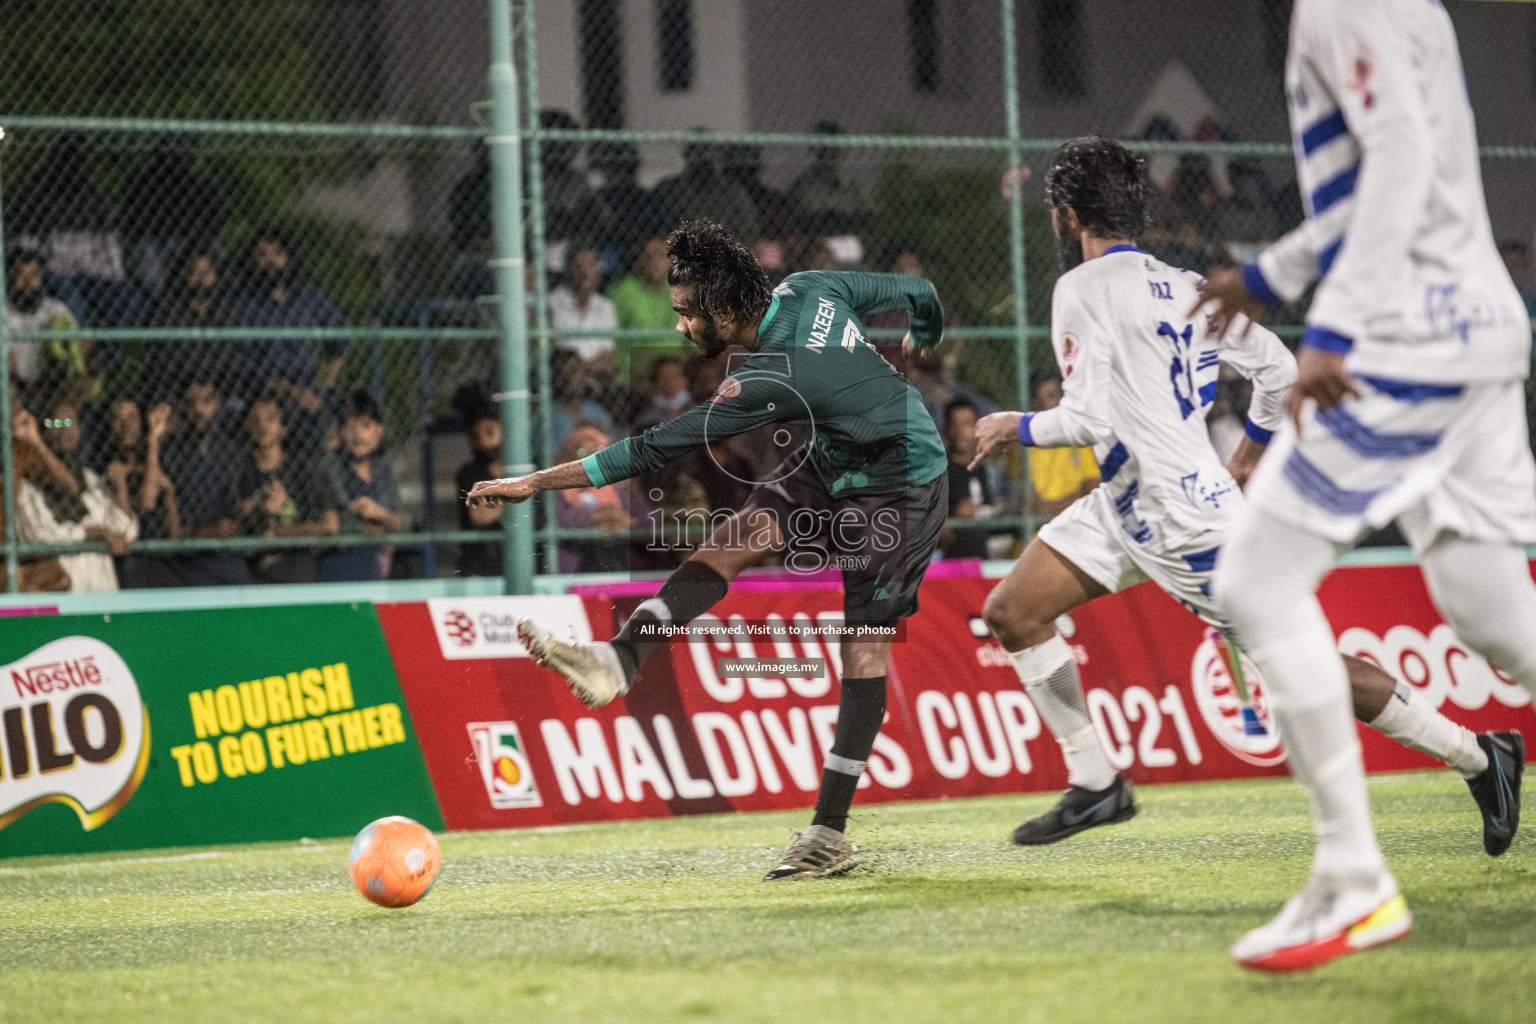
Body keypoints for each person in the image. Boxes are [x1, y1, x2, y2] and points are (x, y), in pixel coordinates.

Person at [1196, 1, 1535, 966]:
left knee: (1255, 586)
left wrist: (1332, 325)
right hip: (1476, 331)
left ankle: (1351, 879)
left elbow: (1400, 160)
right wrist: (1270, 273)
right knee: (1497, 617)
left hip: (1407, 342)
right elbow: (1402, 169)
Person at [469, 219, 951, 880]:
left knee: (863, 643)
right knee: (738, 537)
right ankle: (621, 658)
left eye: (687, 315)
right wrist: (924, 336)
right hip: (832, 457)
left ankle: (829, 834)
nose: (680, 329)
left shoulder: (769, 379)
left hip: (901, 484)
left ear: (725, 311)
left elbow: (648, 449)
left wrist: (533, 483)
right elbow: (919, 291)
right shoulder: (813, 287)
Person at [12, 401, 136, 592]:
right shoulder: (28, 485)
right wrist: (89, 534)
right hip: (62, 582)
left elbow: (126, 531)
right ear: (42, 431)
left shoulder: (91, 479)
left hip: (100, 584)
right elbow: (38, 537)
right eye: (56, 424)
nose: (64, 430)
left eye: (70, 423)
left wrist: (120, 487)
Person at [230, 228, 347, 414]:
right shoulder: (243, 302)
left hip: (307, 384)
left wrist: (323, 384)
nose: (270, 261)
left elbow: (341, 335)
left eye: (277, 253)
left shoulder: (306, 295)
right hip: (262, 391)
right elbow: (246, 363)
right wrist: (292, 392)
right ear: (251, 261)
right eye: (261, 255)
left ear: (288, 257)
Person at [233, 398, 344, 584]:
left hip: (295, 568)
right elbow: (232, 526)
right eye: (256, 420)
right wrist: (258, 507)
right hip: (252, 571)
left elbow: (330, 525)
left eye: (270, 419)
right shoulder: (238, 470)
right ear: (248, 427)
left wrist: (278, 533)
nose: (263, 426)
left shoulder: (304, 469)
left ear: (283, 428)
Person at [161, 378, 251, 586]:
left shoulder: (234, 452)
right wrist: (206, 532)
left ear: (218, 404)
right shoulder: (171, 453)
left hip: (230, 560)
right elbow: (171, 530)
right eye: (192, 402)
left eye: (206, 401)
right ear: (183, 407)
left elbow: (245, 510)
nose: (199, 410)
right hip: (188, 563)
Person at [316, 393, 404, 582]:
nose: (357, 435)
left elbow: (403, 520)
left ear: (379, 430)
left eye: (365, 425)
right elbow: (338, 523)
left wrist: (380, 514)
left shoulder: (383, 471)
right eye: (350, 426)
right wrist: (385, 528)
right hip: (340, 569)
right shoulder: (330, 469)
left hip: (376, 573)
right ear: (339, 432)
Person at [5, 246, 100, 407]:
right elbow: (9, 367)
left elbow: (82, 347)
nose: (28, 283)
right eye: (21, 275)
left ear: (42, 278)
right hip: (16, 389)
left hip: (53, 388)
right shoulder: (3, 312)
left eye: (34, 275)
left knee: (64, 412)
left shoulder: (56, 309)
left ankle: (55, 424)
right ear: (9, 278)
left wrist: (88, 377)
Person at [103, 398, 182, 589]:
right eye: (118, 419)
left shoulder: (161, 459)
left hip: (160, 555)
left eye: (131, 417)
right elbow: (147, 502)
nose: (125, 425)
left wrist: (169, 492)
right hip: (129, 554)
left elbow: (175, 534)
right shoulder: (107, 465)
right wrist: (154, 438)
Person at [143, 249, 233, 405]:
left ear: (217, 274)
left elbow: (232, 357)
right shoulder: (167, 312)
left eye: (206, 272)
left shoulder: (227, 311)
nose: (201, 278)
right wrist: (189, 387)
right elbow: (164, 361)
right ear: (183, 276)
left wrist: (214, 388)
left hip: (219, 390)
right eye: (193, 272)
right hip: (179, 391)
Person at [1023, 373, 1099, 518]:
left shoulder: (1078, 440)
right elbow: (1029, 503)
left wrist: (1053, 507)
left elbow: (1093, 488)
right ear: (1034, 403)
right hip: (1038, 529)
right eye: (1051, 396)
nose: (1059, 403)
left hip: (1075, 522)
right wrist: (1074, 499)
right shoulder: (1026, 448)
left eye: (1059, 395)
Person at [940, 399, 1000, 560]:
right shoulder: (938, 473)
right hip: (954, 565)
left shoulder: (984, 469)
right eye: (954, 425)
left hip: (985, 561)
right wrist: (954, 518)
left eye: (967, 424)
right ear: (945, 430)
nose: (960, 432)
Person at [607, 237, 684, 350]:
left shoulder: (682, 293)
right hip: (634, 362)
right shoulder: (624, 291)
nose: (653, 261)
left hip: (672, 362)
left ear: (671, 261)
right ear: (640, 261)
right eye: (648, 256)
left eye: (659, 255)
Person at [632, 356, 691, 431]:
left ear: (685, 380)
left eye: (675, 376)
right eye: (664, 377)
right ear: (654, 384)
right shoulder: (646, 420)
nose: (671, 382)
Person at [1498, 240, 1536, 318]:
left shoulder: (1533, 305)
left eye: (1516, 264)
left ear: (1525, 269)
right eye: (1506, 263)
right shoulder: (1486, 303)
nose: (1510, 269)